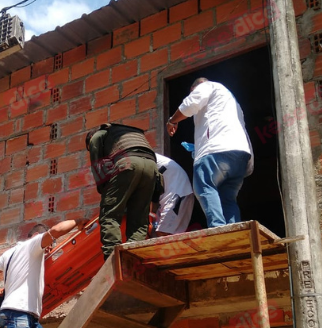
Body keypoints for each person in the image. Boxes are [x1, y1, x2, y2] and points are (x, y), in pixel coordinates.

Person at [167, 78, 254, 227]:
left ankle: (218, 229)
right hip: (240, 155)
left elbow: (191, 104)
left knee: (204, 186)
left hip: (217, 150)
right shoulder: (232, 102)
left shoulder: (208, 86)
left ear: (195, 88)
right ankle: (235, 234)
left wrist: (172, 120)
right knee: (228, 198)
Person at [86, 123, 160, 259]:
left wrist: (105, 191)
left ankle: (113, 260)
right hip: (152, 166)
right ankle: (133, 257)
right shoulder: (122, 133)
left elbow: (98, 167)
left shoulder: (98, 135)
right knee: (139, 219)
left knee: (110, 215)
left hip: (127, 163)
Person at [152, 153, 194, 236]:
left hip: (178, 193)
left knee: (164, 233)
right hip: (169, 195)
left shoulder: (140, 156)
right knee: (160, 233)